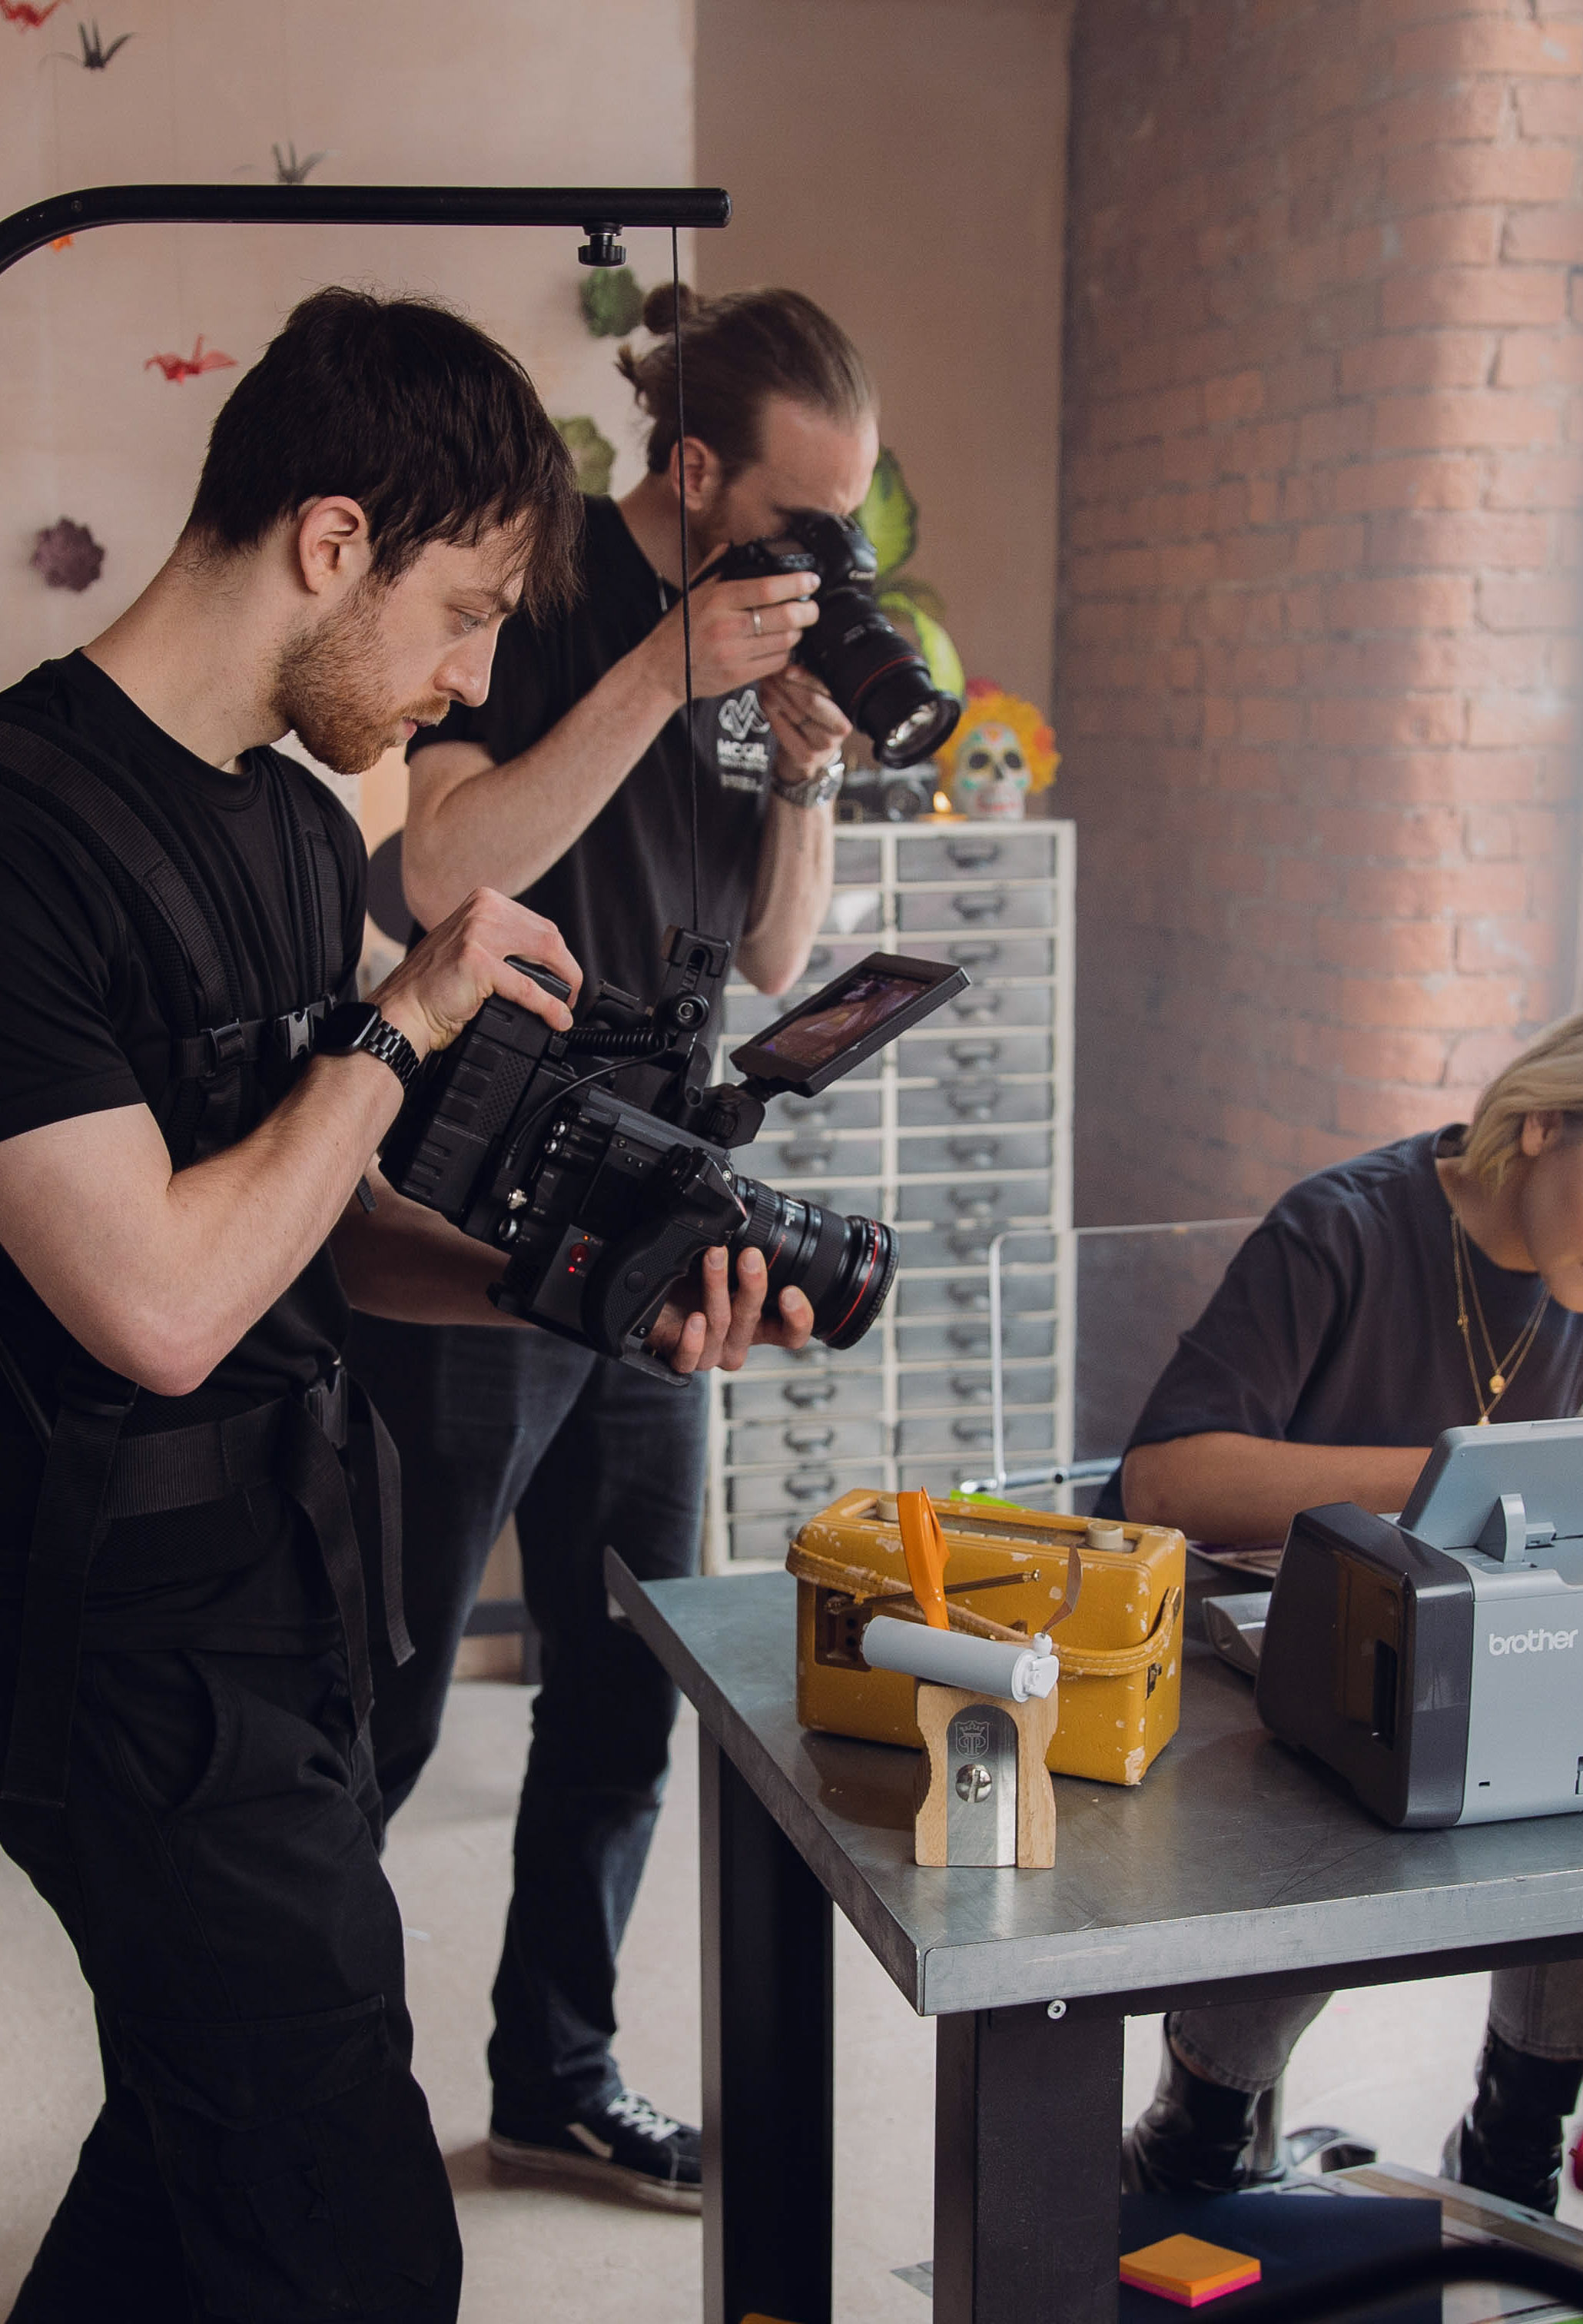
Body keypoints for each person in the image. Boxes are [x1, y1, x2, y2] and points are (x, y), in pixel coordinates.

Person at [0, 286, 809, 2324]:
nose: (466, 675)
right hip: (108, 1630)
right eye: (463, 617)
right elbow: (165, 1303)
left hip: (290, 1576)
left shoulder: (283, 818)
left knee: (199, 2148)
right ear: (331, 538)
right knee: (352, 2233)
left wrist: (610, 1295)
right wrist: (405, 1008)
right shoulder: (24, 831)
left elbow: (333, 1226)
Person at [342, 281, 878, 2208]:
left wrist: (799, 760)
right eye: (797, 515)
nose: (822, 559)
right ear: (694, 465)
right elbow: (432, 867)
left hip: (666, 1206)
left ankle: (557, 2078)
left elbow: (768, 962)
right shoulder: (544, 595)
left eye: (853, 523)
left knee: (630, 1670)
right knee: (391, 1695)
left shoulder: (766, 657)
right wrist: (662, 671)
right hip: (473, 1201)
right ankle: (284, 2081)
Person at [1109, 986, 1583, 2217]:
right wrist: (1456, 1469)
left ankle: (1514, 2144)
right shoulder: (1341, 1230)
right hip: (1260, 1658)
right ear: (1541, 1125)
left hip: (1439, 1644)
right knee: (1353, 1798)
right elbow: (1167, 1480)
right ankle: (1199, 2128)